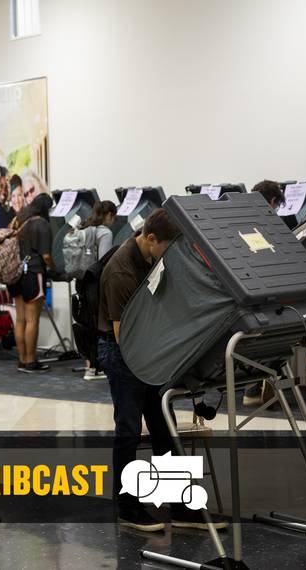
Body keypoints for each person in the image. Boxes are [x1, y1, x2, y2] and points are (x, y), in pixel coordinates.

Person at [97, 209, 226, 532]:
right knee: (127, 429)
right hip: (123, 350)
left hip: (150, 347)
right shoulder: (120, 272)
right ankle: (127, 507)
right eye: (168, 246)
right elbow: (121, 334)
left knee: (163, 428)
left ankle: (180, 507)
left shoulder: (156, 257)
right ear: (151, 239)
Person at [242, 180, 285, 407]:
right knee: (276, 341)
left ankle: (255, 389)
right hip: (271, 291)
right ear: (273, 201)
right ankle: (260, 387)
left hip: (250, 291)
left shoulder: (241, 221)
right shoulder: (271, 224)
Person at [9, 192, 55, 373]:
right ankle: (31, 361)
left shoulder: (19, 220)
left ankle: (22, 360)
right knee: (32, 320)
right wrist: (55, 268)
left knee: (20, 319)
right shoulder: (42, 224)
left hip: (16, 275)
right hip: (33, 273)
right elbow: (46, 256)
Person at [77, 200, 117, 381]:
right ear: (108, 215)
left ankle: (88, 365)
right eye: (113, 217)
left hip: (81, 280)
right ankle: (96, 367)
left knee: (84, 321)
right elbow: (104, 262)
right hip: (95, 283)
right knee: (96, 323)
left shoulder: (84, 227)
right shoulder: (105, 233)